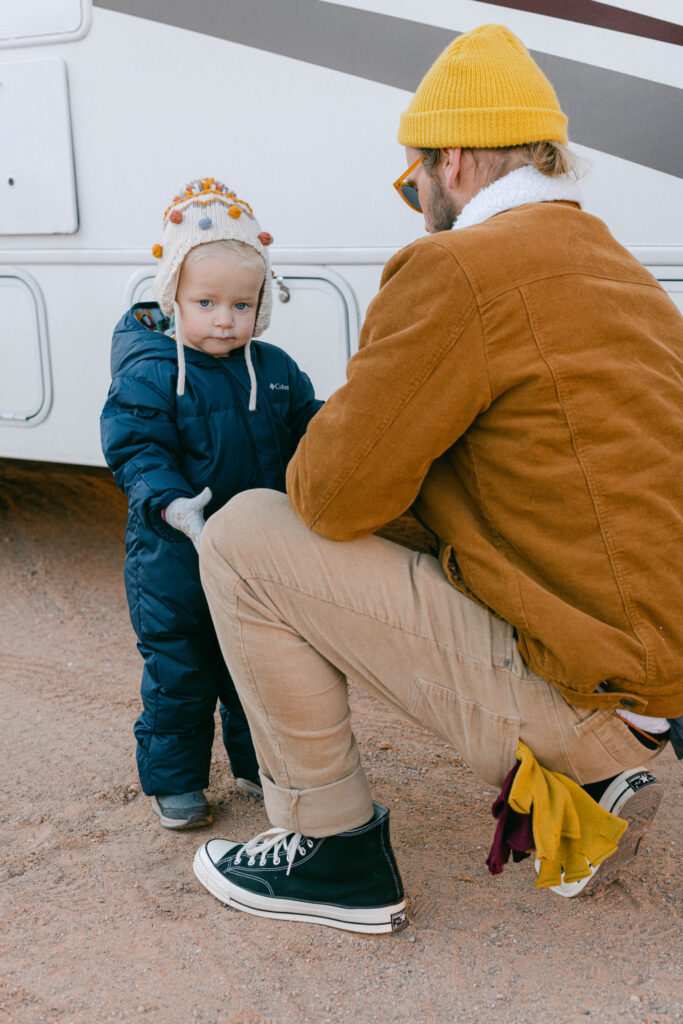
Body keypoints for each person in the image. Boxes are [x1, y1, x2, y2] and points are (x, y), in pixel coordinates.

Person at [192, 26, 683, 931]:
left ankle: (329, 849)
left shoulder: (458, 266)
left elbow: (332, 498)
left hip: (586, 695)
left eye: (411, 176)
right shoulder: (618, 266)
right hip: (656, 685)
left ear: (451, 160)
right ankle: (596, 777)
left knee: (244, 535)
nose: (414, 198)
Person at [100, 178, 322, 830]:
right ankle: (177, 784)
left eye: (241, 304)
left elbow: (312, 431)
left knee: (256, 665)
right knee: (180, 671)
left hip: (255, 557)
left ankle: (258, 765)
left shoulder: (275, 368)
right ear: (174, 297)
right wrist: (168, 504)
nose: (225, 319)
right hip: (172, 557)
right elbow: (137, 450)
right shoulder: (148, 372)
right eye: (206, 302)